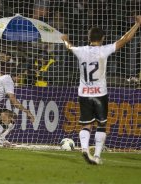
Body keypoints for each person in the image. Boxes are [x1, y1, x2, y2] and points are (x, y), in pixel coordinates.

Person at [61, 15, 141, 165]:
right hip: (100, 93)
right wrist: (137, 25)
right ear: (103, 38)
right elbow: (125, 39)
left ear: (88, 37)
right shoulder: (104, 50)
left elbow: (69, 46)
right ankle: (97, 156)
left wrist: (65, 39)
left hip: (84, 93)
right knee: (101, 125)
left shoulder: (81, 50)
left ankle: (85, 149)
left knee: (86, 125)